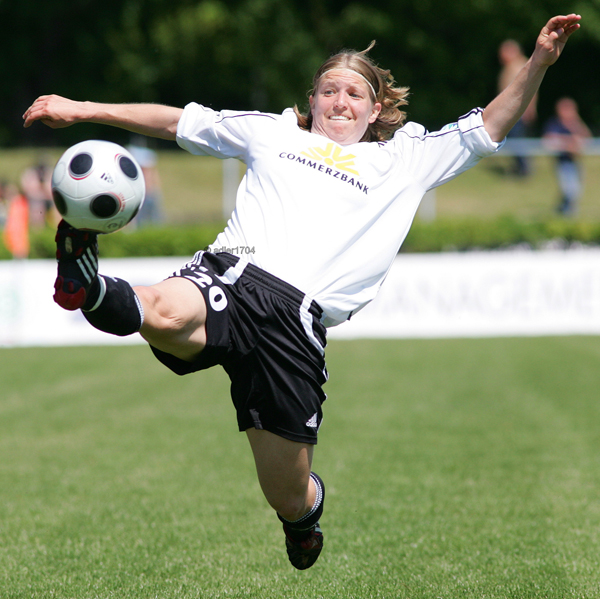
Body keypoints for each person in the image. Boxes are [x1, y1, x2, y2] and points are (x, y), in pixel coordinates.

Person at [22, 14, 581, 570]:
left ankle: (304, 516)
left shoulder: (408, 159)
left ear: (376, 108)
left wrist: (538, 63)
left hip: (296, 327)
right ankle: (86, 283)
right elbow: (177, 122)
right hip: (232, 278)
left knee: (287, 495)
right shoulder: (271, 131)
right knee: (164, 313)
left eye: (355, 93)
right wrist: (83, 109)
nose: (341, 102)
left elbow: (490, 125)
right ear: (311, 100)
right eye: (329, 90)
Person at [543, 97, 592, 215]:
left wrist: (575, 123)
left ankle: (568, 212)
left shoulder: (575, 124)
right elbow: (549, 141)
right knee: (568, 189)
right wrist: (569, 142)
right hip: (563, 162)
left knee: (576, 190)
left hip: (575, 161)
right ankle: (563, 212)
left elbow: (586, 137)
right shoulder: (554, 123)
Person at [498, 39, 539, 176]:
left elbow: (530, 88)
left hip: (519, 110)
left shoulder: (521, 65)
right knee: (514, 138)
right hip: (510, 110)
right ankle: (519, 166)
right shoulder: (510, 66)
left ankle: (523, 169)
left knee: (518, 139)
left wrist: (529, 108)